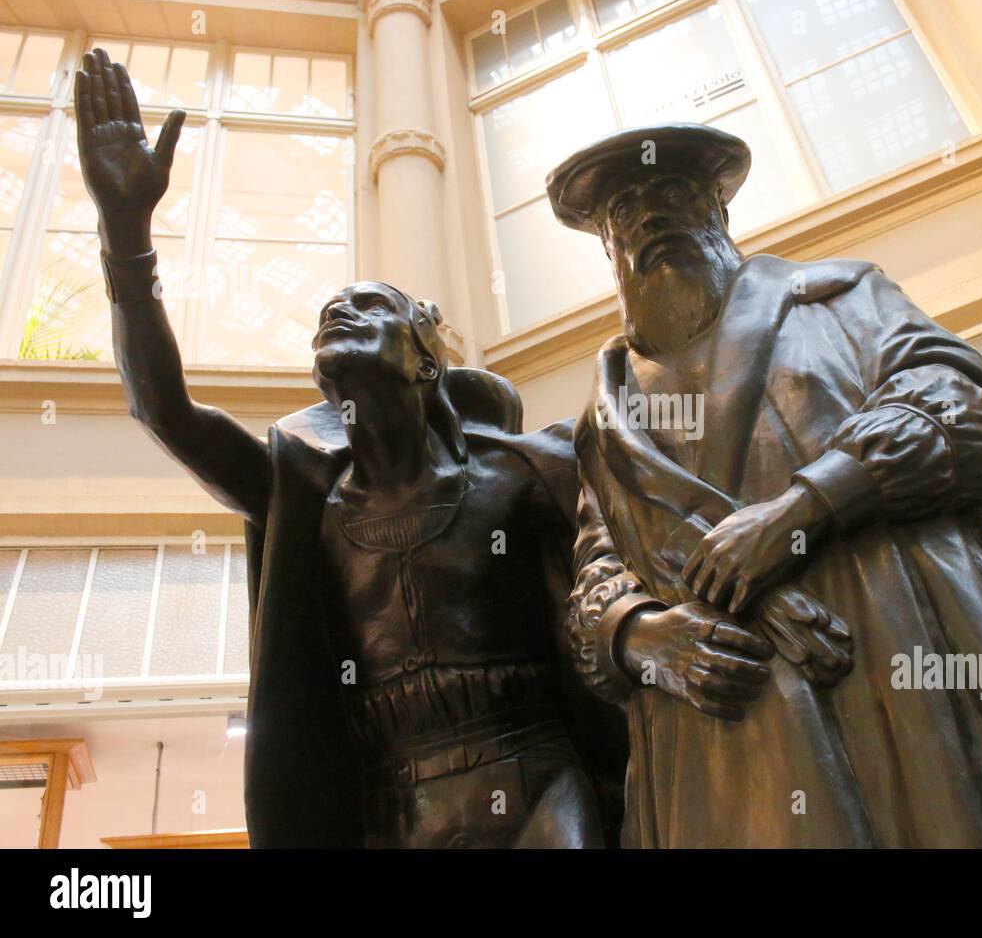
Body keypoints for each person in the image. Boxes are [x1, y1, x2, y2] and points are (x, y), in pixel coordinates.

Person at [553, 122, 982, 848]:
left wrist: (804, 508)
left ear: (718, 213)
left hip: (917, 645)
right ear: (609, 251)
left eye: (670, 195)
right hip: (733, 726)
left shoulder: (842, 300)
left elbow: (960, 407)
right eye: (625, 215)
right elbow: (597, 570)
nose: (650, 219)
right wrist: (640, 634)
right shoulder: (605, 422)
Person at [76, 47, 617, 847]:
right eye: (329, 315)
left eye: (368, 307)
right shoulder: (302, 495)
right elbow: (164, 410)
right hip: (391, 806)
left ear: (428, 358)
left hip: (535, 781)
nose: (339, 314)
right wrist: (127, 234)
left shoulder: (523, 476)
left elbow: (641, 547)